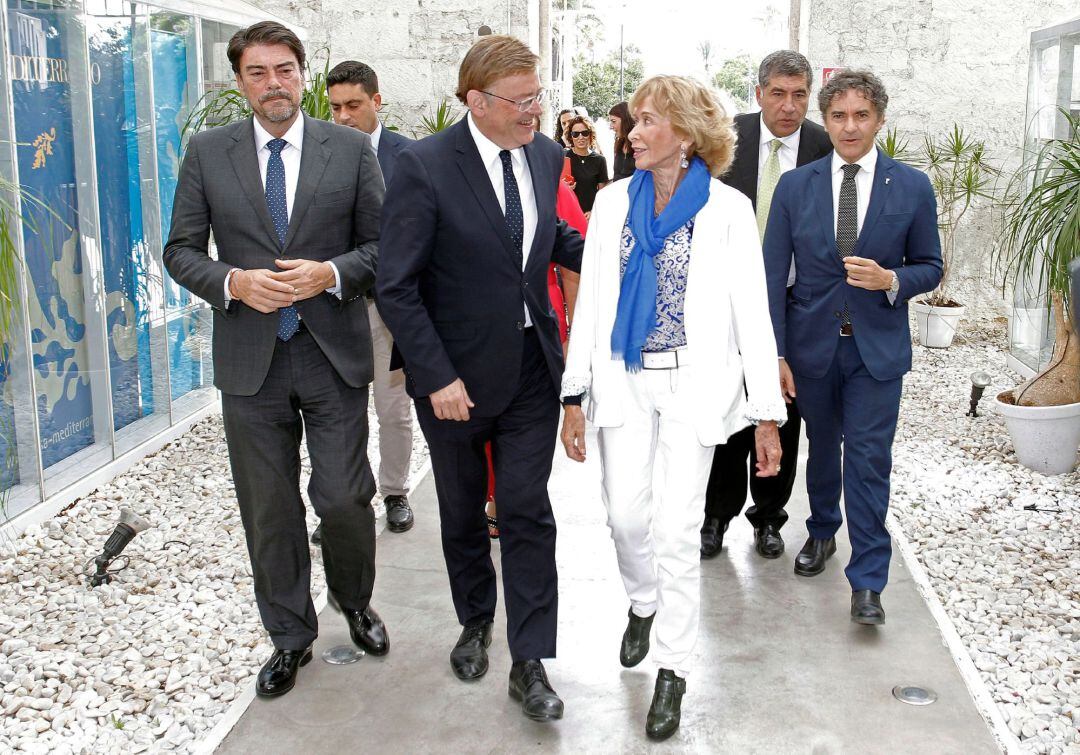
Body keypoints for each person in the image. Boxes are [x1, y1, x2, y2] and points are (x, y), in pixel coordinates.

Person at [162, 21, 389, 699]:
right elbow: (179, 250)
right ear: (240, 82)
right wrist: (233, 282)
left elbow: (386, 247)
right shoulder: (208, 152)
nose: (273, 83)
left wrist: (332, 272)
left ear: (303, 75)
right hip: (250, 357)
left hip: (331, 352)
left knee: (344, 495)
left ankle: (354, 599)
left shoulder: (348, 150)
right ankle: (290, 636)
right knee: (269, 507)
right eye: (257, 72)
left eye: (284, 69)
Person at [560, 75, 785, 741]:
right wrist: (575, 392)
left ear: (685, 135)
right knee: (627, 518)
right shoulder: (609, 205)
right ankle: (642, 600)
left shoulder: (728, 211)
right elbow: (592, 304)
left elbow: (753, 313)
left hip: (693, 388)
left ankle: (675, 667)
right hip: (623, 380)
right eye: (633, 120)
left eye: (648, 121)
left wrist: (766, 411)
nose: (632, 132)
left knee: (678, 531)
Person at [376, 35, 584, 722]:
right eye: (522, 102)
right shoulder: (425, 166)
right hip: (454, 381)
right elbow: (396, 285)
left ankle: (530, 660)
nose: (535, 112)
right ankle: (474, 619)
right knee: (463, 510)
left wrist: (619, 245)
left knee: (525, 507)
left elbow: (543, 237)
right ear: (477, 101)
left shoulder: (546, 153)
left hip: (530, 370)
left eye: (538, 99)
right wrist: (434, 375)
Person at [762, 69, 942, 625]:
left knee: (867, 459)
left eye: (861, 115)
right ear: (826, 121)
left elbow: (931, 267)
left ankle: (868, 579)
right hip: (813, 346)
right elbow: (771, 274)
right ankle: (820, 532)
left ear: (880, 119)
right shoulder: (796, 185)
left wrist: (891, 280)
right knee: (820, 447)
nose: (849, 126)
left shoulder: (910, 186)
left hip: (876, 351)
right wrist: (776, 353)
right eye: (838, 115)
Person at [701, 50, 833, 561]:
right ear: (758, 94)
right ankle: (716, 515)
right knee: (728, 404)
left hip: (795, 303)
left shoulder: (825, 146)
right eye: (778, 93)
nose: (789, 106)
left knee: (783, 407)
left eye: (799, 95)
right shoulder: (728, 138)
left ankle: (769, 518)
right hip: (727, 298)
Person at [315, 59, 416, 539]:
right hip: (334, 302)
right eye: (335, 107)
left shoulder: (410, 157)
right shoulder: (320, 153)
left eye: (353, 105)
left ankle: (395, 492)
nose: (343, 116)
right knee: (337, 409)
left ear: (377, 101)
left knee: (392, 406)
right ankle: (345, 503)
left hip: (389, 304)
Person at [486, 116, 585, 540]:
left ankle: (509, 499)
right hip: (485, 322)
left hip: (541, 317)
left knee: (527, 430)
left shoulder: (555, 190)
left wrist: (577, 331)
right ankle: (492, 494)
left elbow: (576, 264)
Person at [564, 114, 609, 215]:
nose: (581, 137)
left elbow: (602, 194)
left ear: (590, 135)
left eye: (584, 133)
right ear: (571, 136)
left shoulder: (600, 160)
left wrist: (594, 212)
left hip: (590, 214)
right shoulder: (563, 157)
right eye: (575, 134)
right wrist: (563, 187)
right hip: (569, 213)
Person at [607, 101, 636, 181]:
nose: (611, 126)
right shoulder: (619, 143)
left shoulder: (640, 145)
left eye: (613, 121)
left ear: (625, 120)